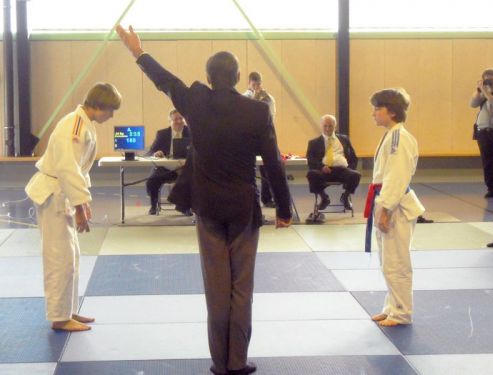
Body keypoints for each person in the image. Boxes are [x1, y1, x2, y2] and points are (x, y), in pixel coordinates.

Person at [116, 25, 292, 375]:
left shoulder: (196, 101)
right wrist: (284, 210)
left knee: (216, 289)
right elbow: (273, 163)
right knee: (242, 288)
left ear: (209, 78)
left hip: (208, 209)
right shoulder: (258, 112)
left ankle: (219, 364)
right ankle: (238, 361)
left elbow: (165, 80)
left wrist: (138, 52)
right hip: (244, 209)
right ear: (239, 77)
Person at [25, 83, 122, 332]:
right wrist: (80, 207)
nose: (111, 116)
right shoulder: (74, 126)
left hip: (63, 194)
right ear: (99, 105)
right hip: (54, 195)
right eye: (110, 110)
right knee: (60, 258)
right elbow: (68, 169)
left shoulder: (83, 123)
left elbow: (79, 170)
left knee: (72, 256)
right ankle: (59, 317)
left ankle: (69, 310)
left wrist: (84, 203)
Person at [364, 88, 424, 327]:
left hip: (396, 206)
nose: (373, 114)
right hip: (386, 201)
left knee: (397, 261)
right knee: (388, 260)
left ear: (391, 111)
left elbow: (396, 177)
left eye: (377, 108)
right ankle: (392, 306)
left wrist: (386, 209)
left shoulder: (400, 138)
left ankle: (401, 312)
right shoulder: (392, 135)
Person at [306, 114, 360, 210]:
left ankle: (345, 197)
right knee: (311, 174)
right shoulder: (313, 142)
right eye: (325, 126)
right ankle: (324, 198)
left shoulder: (344, 139)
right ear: (321, 126)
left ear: (335, 126)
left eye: (330, 126)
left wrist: (349, 168)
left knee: (356, 175)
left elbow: (353, 157)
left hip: (342, 170)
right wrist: (321, 167)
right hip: (324, 171)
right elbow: (311, 160)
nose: (327, 128)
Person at [145, 108, 190, 215]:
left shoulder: (191, 132)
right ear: (170, 122)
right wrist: (156, 153)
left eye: (181, 119)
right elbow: (150, 151)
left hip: (185, 168)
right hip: (165, 168)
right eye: (175, 119)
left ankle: (185, 206)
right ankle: (153, 205)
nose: (179, 121)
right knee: (151, 181)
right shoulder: (162, 134)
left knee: (191, 180)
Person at [243, 71, 277, 208]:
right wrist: (254, 98)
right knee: (248, 167)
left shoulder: (268, 98)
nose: (257, 86)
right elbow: (243, 116)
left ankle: (267, 198)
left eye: (258, 84)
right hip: (248, 137)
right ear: (249, 83)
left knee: (266, 168)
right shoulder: (243, 97)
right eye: (254, 84)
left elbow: (271, 116)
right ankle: (249, 198)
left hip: (263, 135)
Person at [470, 68, 493, 198]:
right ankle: (491, 189)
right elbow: (472, 104)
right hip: (483, 132)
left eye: (491, 79)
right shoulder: (482, 93)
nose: (488, 81)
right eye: (485, 78)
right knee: (487, 162)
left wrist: (487, 93)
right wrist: (479, 90)